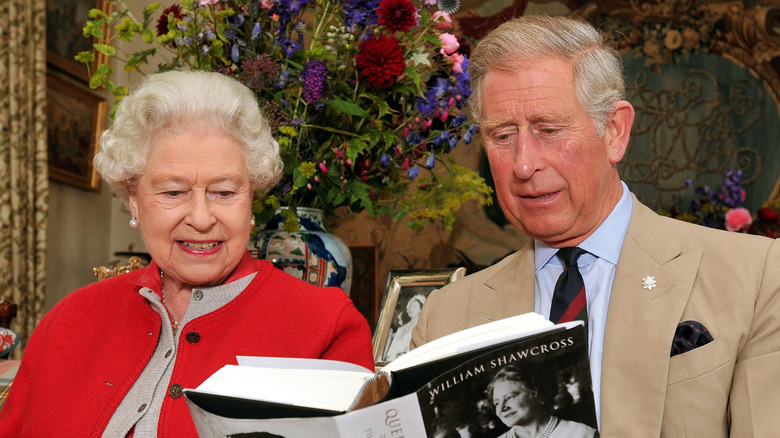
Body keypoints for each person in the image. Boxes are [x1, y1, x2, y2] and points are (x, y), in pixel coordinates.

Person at [411, 15, 780, 437]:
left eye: (548, 130)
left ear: (615, 132)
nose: (524, 163)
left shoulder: (757, 277)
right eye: (502, 136)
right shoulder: (445, 318)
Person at [0, 71, 374, 436]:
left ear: (251, 198)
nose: (200, 218)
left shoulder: (326, 325)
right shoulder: (68, 320)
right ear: (133, 199)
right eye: (173, 192)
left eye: (224, 192)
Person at [488, 365, 596, 438]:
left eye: (510, 397)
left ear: (536, 393)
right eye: (497, 403)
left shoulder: (580, 434)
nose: (502, 408)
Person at [383, 294, 425, 361]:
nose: (411, 309)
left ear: (420, 309)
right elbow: (391, 353)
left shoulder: (422, 328)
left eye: (414, 306)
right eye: (410, 306)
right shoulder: (400, 329)